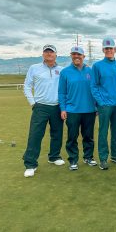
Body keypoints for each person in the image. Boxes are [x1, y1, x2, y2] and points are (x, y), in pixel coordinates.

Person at [22, 44, 65, 177]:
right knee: (35, 135)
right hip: (40, 106)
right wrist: (33, 103)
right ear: (43, 54)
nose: (49, 54)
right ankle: (30, 164)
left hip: (57, 106)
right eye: (46, 52)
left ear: (56, 54)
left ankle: (54, 156)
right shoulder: (34, 68)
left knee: (57, 134)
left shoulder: (62, 70)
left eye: (51, 52)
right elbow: (27, 86)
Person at [58, 46, 97, 171]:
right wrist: (63, 109)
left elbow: (95, 90)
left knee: (88, 136)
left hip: (90, 110)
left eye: (79, 54)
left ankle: (88, 157)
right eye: (74, 54)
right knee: (72, 137)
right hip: (72, 110)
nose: (76, 57)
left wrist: (97, 106)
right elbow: (62, 93)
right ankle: (73, 159)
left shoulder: (90, 71)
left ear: (83, 57)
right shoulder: (65, 72)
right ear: (71, 56)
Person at [90, 37, 116, 170]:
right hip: (104, 105)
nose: (109, 50)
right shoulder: (97, 66)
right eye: (106, 48)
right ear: (103, 50)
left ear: (115, 50)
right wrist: (100, 102)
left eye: (111, 48)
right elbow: (93, 86)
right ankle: (103, 158)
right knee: (103, 132)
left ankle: (115, 156)